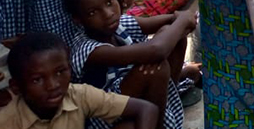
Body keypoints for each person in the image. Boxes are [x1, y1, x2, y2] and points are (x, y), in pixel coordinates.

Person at [62, 0, 192, 129]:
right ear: (78, 19)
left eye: (109, 2)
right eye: (93, 12)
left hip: (131, 97)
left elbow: (171, 23)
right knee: (155, 66)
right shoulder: (88, 49)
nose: (108, 13)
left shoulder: (120, 23)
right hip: (104, 115)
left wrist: (179, 22)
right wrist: (183, 19)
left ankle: (167, 102)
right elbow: (156, 50)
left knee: (171, 33)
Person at [0, 32, 158, 129]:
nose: (53, 85)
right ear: (16, 87)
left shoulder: (78, 94)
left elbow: (147, 109)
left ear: (70, 68)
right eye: (37, 80)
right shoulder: (8, 122)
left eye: (60, 72)